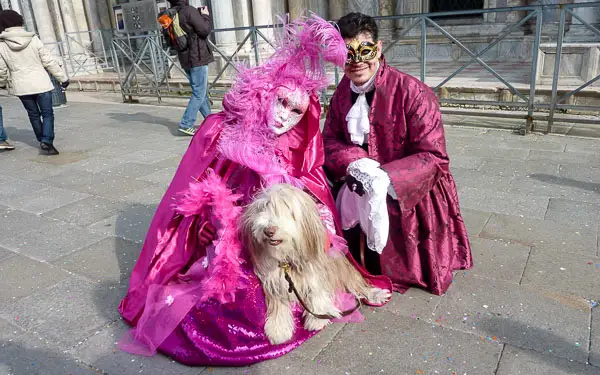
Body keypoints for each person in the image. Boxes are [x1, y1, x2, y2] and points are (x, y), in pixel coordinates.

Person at [118, 15, 391, 366]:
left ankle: (332, 290)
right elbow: (195, 192)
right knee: (232, 304)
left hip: (278, 240)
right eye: (281, 102)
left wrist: (317, 224)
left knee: (318, 261)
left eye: (297, 111)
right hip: (228, 240)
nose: (285, 117)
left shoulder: (294, 144)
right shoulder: (221, 132)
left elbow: (311, 191)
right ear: (263, 95)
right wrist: (219, 224)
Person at [323, 12, 473, 296]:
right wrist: (355, 161)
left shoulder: (414, 93)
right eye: (346, 55)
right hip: (357, 184)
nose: (356, 62)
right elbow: (328, 140)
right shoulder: (342, 92)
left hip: (408, 193)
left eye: (363, 51)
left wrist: (385, 178)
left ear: (378, 49)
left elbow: (434, 157)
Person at [0, 10, 69, 156]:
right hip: (41, 82)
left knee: (33, 114)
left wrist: (2, 83)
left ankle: (42, 140)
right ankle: (47, 141)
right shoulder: (33, 39)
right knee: (48, 113)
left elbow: (2, 69)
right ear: (20, 21)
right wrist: (63, 78)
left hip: (21, 85)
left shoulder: (2, 45)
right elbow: (48, 61)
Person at [166, 0, 213, 136]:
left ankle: (210, 120)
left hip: (185, 58)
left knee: (200, 91)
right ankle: (186, 123)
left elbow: (169, 40)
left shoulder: (172, 14)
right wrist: (205, 16)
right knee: (199, 92)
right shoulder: (189, 11)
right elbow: (204, 30)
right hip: (197, 56)